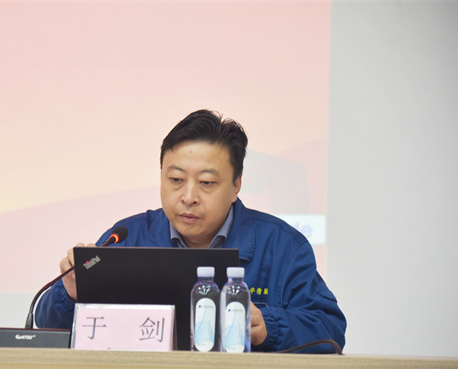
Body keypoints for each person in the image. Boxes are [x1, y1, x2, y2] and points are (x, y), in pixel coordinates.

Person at [35, 109, 346, 352]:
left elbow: (330, 330)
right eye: (175, 180)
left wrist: (269, 327)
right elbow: (49, 329)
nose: (188, 196)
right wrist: (70, 294)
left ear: (236, 185)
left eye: (207, 182)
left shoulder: (282, 247)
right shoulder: (125, 239)